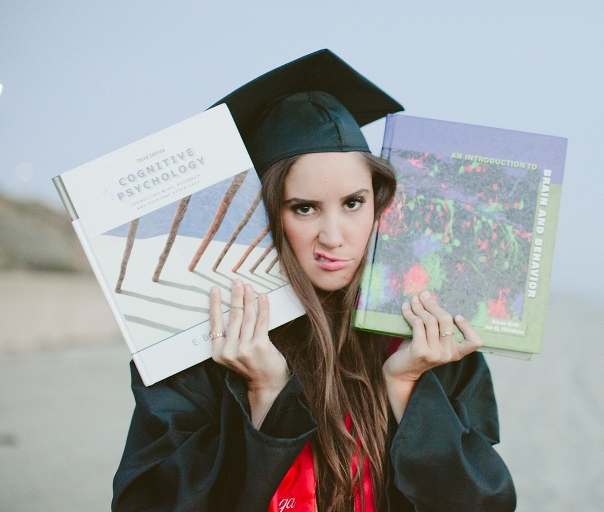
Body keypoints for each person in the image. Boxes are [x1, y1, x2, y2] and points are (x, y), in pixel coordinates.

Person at [112, 49, 516, 512]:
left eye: (353, 203)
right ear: (264, 216)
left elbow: (483, 504)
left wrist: (406, 386)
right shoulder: (198, 343)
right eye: (303, 208)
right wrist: (265, 395)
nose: (334, 238)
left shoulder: (427, 338)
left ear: (379, 203)